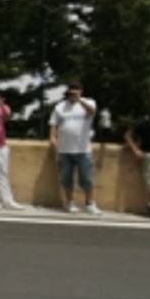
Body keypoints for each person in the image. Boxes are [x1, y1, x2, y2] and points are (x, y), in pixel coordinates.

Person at [50, 81, 100, 214]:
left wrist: (79, 101)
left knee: (87, 178)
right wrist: (53, 138)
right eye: (71, 89)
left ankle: (89, 203)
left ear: (81, 91)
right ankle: (69, 202)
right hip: (65, 149)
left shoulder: (88, 103)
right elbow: (54, 124)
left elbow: (92, 112)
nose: (73, 92)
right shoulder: (60, 107)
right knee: (66, 178)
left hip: (83, 149)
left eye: (76, 89)